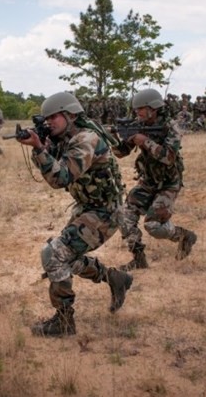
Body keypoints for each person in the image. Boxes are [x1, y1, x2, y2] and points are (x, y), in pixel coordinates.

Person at [16, 92, 133, 337]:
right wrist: (44, 146)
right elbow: (53, 168)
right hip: (89, 208)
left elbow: (60, 178)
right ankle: (114, 278)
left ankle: (64, 322)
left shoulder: (86, 139)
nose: (49, 123)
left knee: (54, 254)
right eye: (46, 119)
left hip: (105, 212)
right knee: (65, 258)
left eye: (54, 117)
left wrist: (39, 148)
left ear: (70, 115)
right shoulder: (67, 137)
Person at [111, 88, 197, 271]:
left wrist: (145, 142)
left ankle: (184, 236)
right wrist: (113, 139)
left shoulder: (170, 128)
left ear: (153, 109)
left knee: (153, 225)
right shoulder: (137, 125)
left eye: (140, 109)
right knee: (124, 218)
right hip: (147, 181)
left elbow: (169, 157)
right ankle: (139, 259)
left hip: (168, 183)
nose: (137, 113)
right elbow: (120, 153)